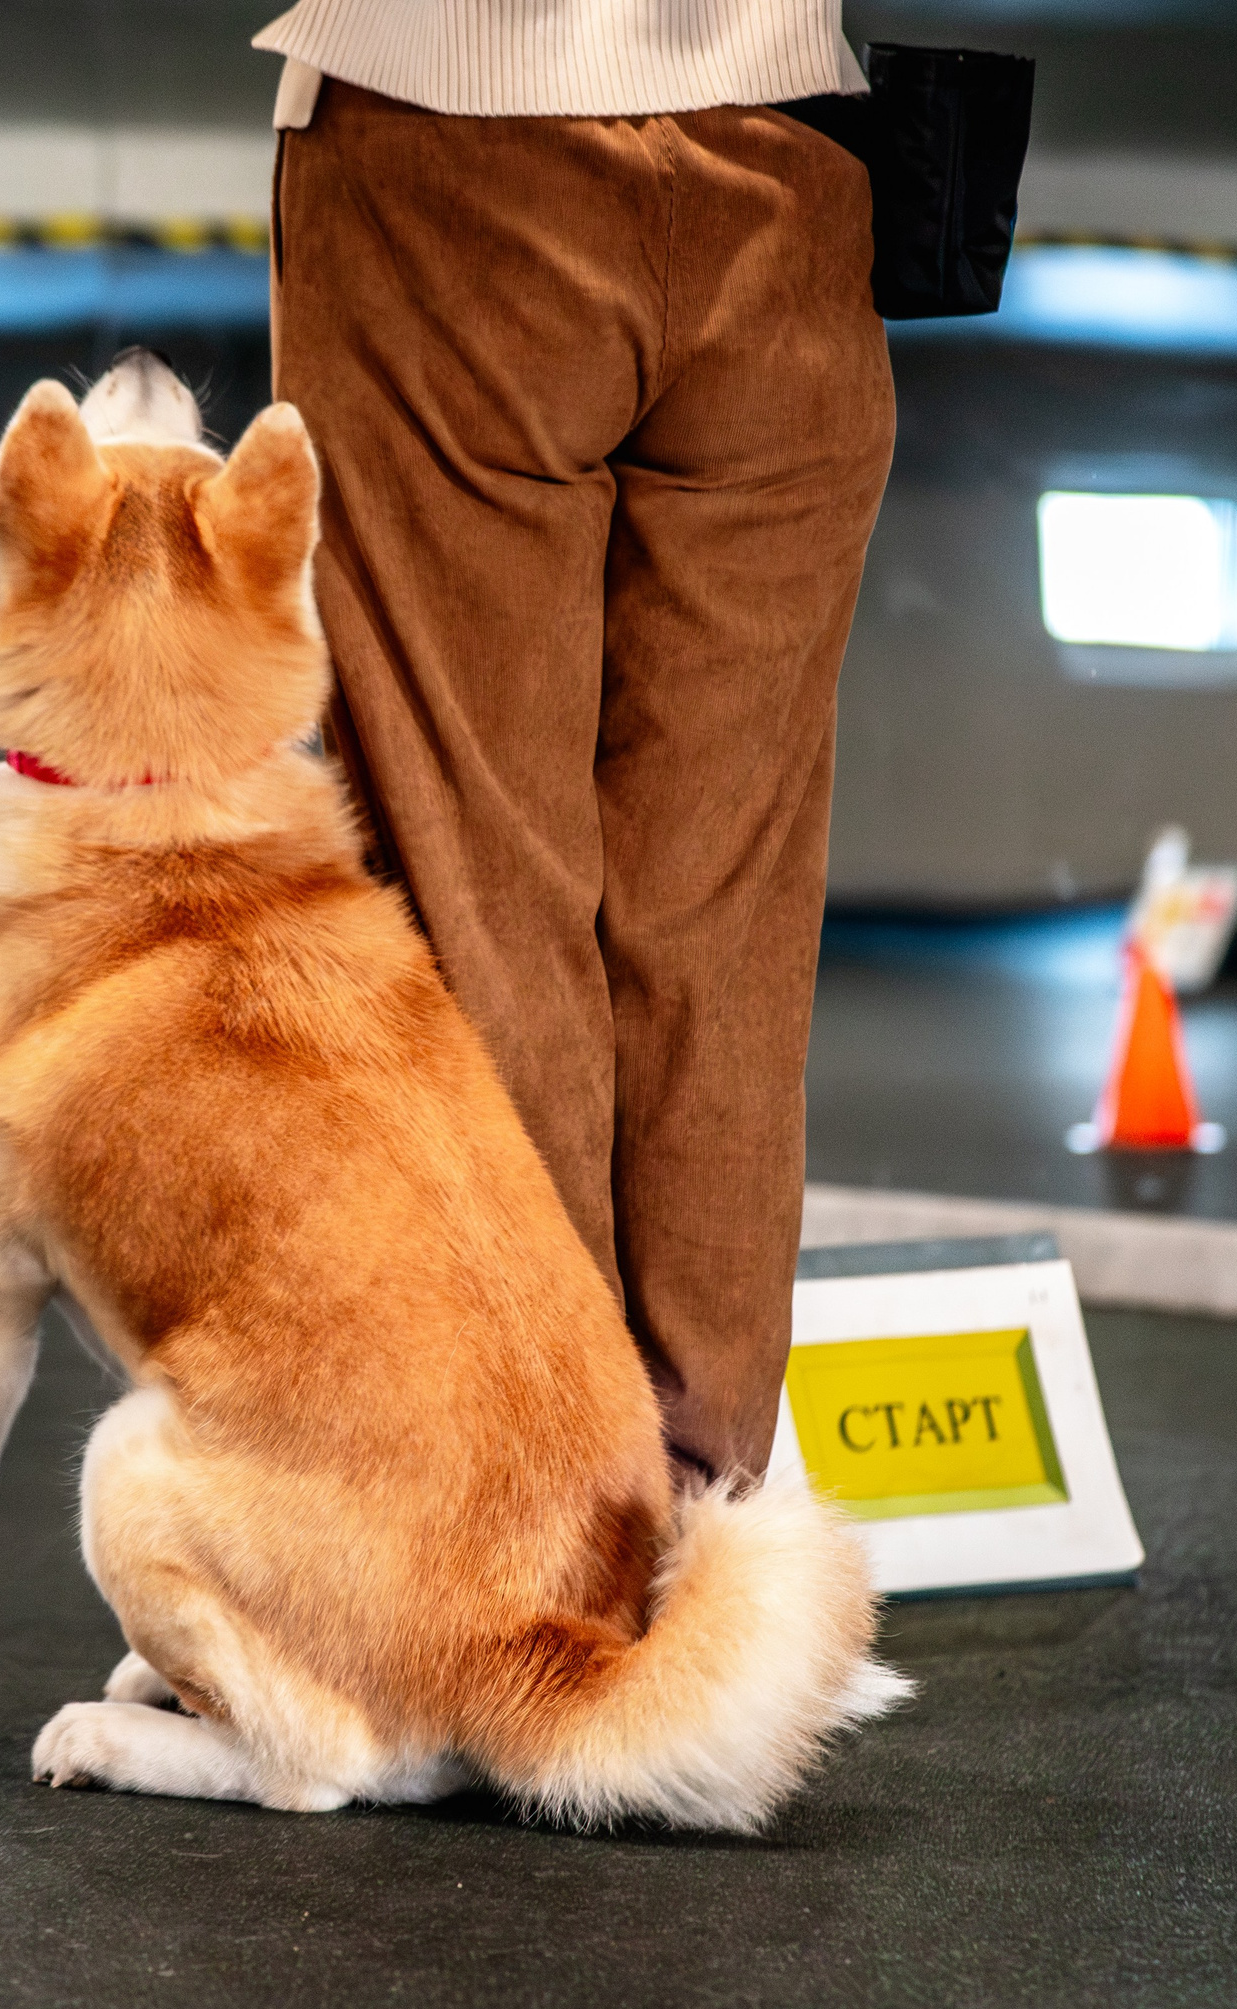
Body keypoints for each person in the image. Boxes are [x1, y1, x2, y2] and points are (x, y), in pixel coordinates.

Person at [258, 3, 897, 1485]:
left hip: (448, 120)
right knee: (726, 908)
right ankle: (698, 1531)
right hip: (791, 155)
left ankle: (529, 1525)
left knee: (478, 868)